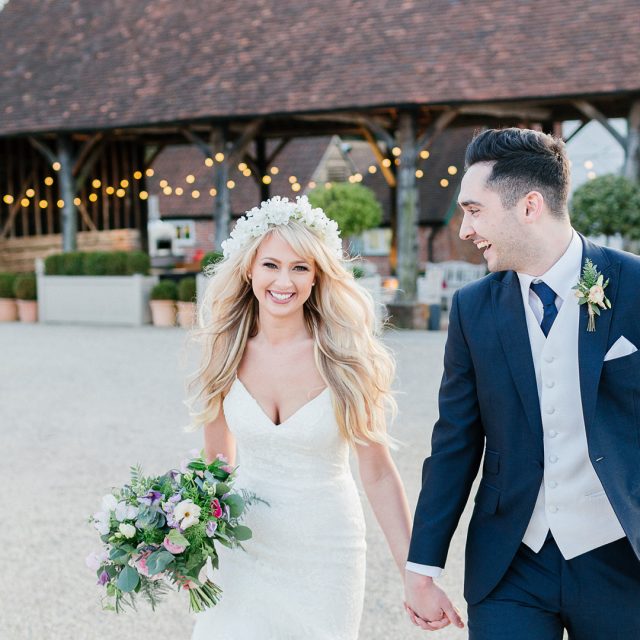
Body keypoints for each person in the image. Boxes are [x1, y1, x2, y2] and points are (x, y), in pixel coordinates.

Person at [404, 127, 640, 638]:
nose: (465, 229)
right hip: (511, 562)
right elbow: (454, 443)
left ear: (530, 206)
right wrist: (422, 567)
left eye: (474, 210)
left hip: (622, 561)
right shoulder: (472, 309)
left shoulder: (636, 287)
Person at [188, 196, 412, 640]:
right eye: (271, 265)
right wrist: (188, 545)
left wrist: (414, 575)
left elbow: (380, 474)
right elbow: (216, 464)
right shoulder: (224, 354)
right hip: (244, 544)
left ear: (317, 276)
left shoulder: (346, 359)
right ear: (249, 268)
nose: (283, 281)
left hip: (325, 550)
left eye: (300, 267)